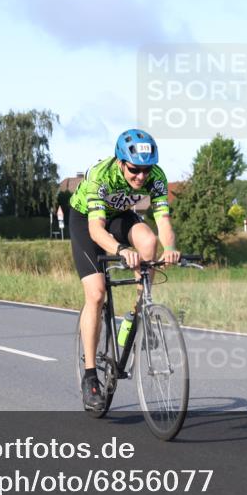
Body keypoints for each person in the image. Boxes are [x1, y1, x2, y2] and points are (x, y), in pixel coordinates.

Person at [69, 129, 181, 410]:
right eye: (134, 170)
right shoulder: (101, 175)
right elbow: (96, 230)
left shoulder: (156, 176)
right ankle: (90, 377)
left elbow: (163, 221)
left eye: (146, 170)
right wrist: (120, 250)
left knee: (149, 242)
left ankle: (139, 311)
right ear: (120, 162)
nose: (141, 177)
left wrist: (169, 248)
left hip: (120, 216)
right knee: (96, 294)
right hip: (86, 221)